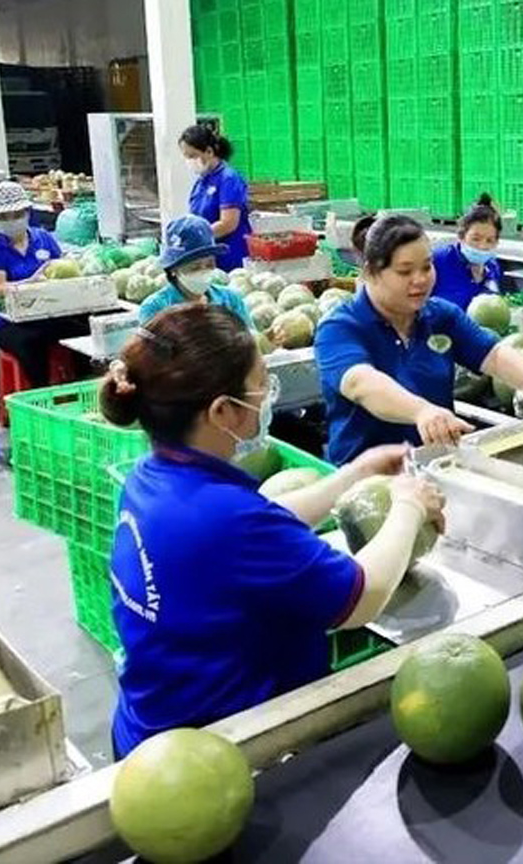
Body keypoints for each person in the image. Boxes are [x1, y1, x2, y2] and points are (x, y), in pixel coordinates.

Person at [99, 304, 445, 757]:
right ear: (222, 410)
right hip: (216, 756)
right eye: (261, 383)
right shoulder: (225, 518)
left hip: (149, 726)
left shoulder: (155, 475)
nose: (267, 396)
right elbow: (362, 596)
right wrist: (408, 506)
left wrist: (351, 475)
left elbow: (259, 523)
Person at [315, 215, 523, 465]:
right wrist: (421, 411)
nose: (420, 280)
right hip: (366, 477)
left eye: (427, 267)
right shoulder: (340, 327)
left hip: (437, 465)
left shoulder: (440, 316)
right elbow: (360, 383)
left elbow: (493, 354)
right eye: (405, 271)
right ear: (371, 272)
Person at [0, 181, 86, 386]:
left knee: (82, 331)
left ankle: (80, 385)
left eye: (17, 214)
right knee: (31, 343)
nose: (11, 220)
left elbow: (61, 267)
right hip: (11, 322)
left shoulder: (43, 238)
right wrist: (30, 283)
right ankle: (40, 394)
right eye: (3, 217)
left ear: (26, 212)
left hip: (48, 313)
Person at [137, 214, 254, 329]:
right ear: (173, 269)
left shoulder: (230, 299)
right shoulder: (156, 307)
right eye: (194, 267)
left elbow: (251, 340)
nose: (203, 271)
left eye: (209, 264)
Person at [181, 124, 251, 271]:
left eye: (192, 156)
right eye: (186, 156)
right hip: (207, 257)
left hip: (230, 256)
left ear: (209, 151)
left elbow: (228, 223)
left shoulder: (229, 178)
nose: (189, 161)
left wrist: (197, 239)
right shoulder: (202, 181)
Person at [430, 193, 504, 309]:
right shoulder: (439, 260)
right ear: (462, 236)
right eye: (476, 239)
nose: (482, 246)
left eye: (489, 241)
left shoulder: (492, 267)